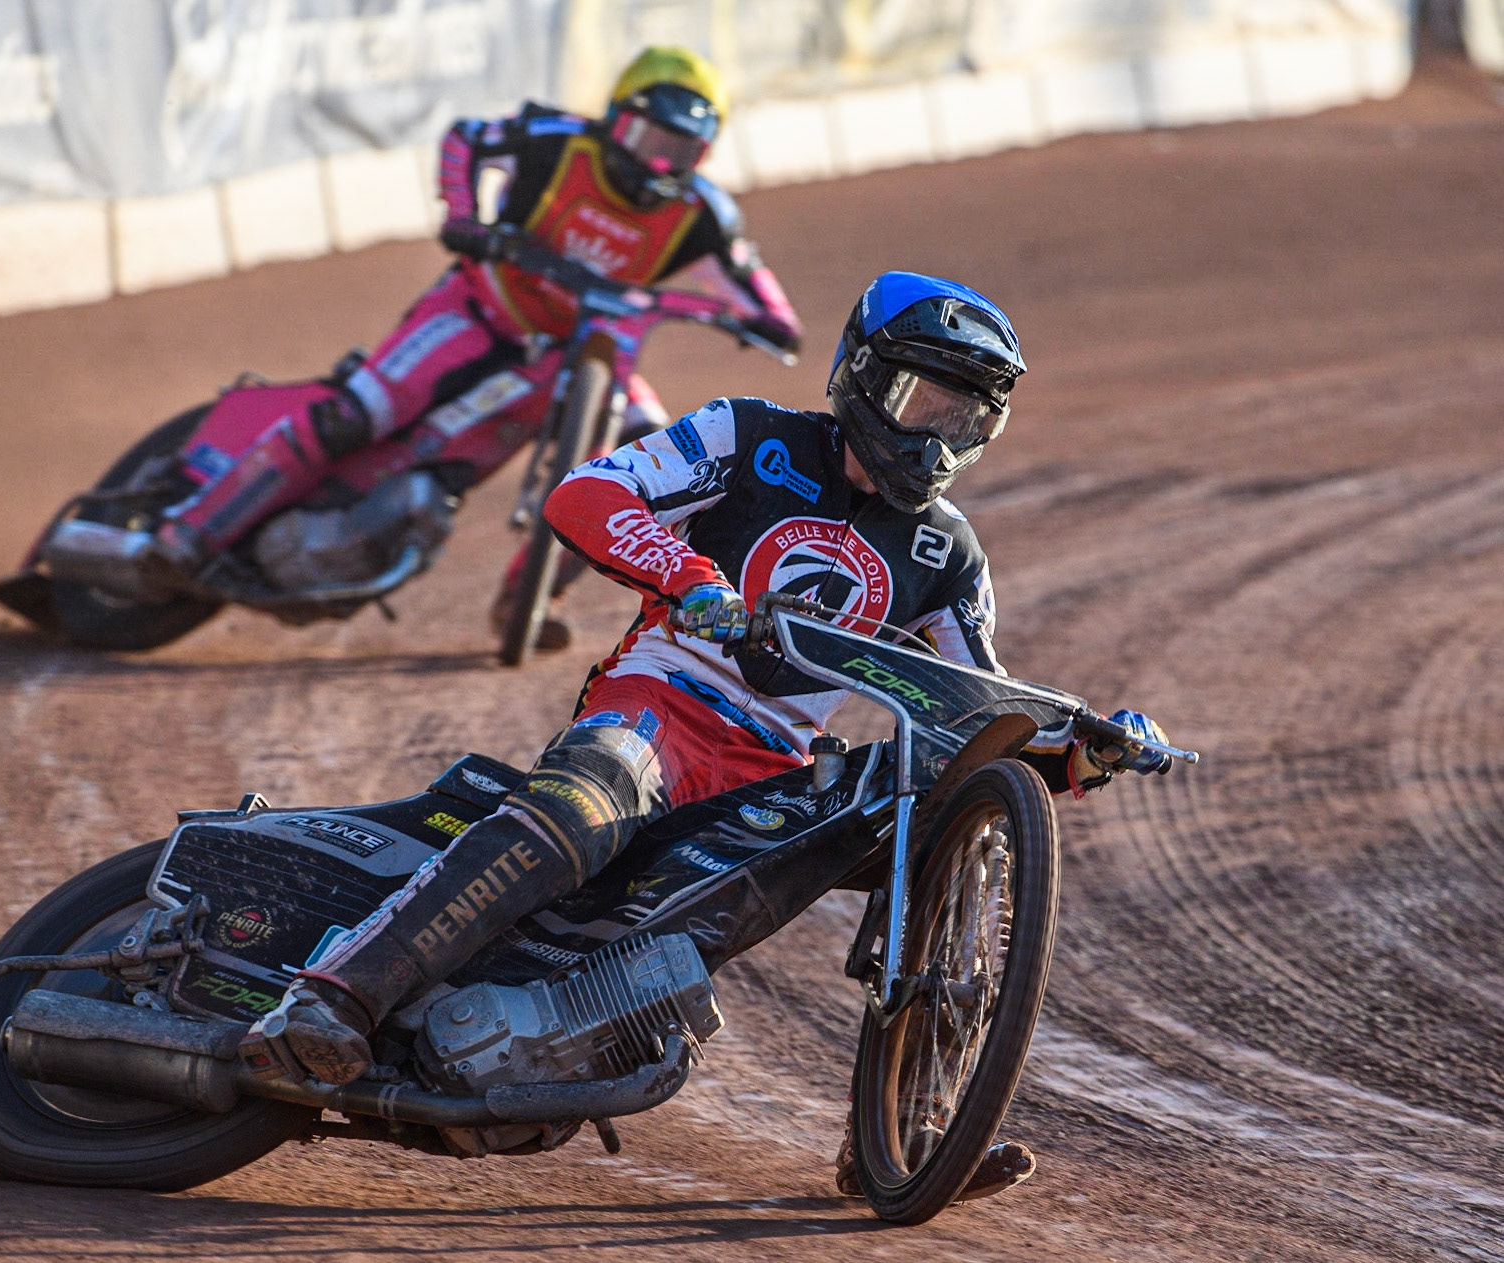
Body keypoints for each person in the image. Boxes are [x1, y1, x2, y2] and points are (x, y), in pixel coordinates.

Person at [258, 271, 1170, 1198]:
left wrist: (1081, 751)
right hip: (660, 705)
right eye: (922, 402)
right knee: (581, 806)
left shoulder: (948, 552)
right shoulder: (747, 434)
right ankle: (334, 994)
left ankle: (900, 1130)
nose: (937, 437)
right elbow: (586, 493)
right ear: (862, 375)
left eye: (966, 419)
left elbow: (979, 712)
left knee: (926, 805)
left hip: (772, 775)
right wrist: (693, 579)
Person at [151, 45, 803, 647]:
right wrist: (464, 216)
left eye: (681, 151)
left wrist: (758, 323)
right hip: (481, 308)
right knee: (360, 410)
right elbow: (466, 139)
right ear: (614, 119)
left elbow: (768, 305)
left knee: (650, 469)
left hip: (586, 348)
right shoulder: (557, 140)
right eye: (647, 139)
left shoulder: (704, 216)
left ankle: (527, 598)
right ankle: (190, 529)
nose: (657, 164)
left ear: (704, 156)